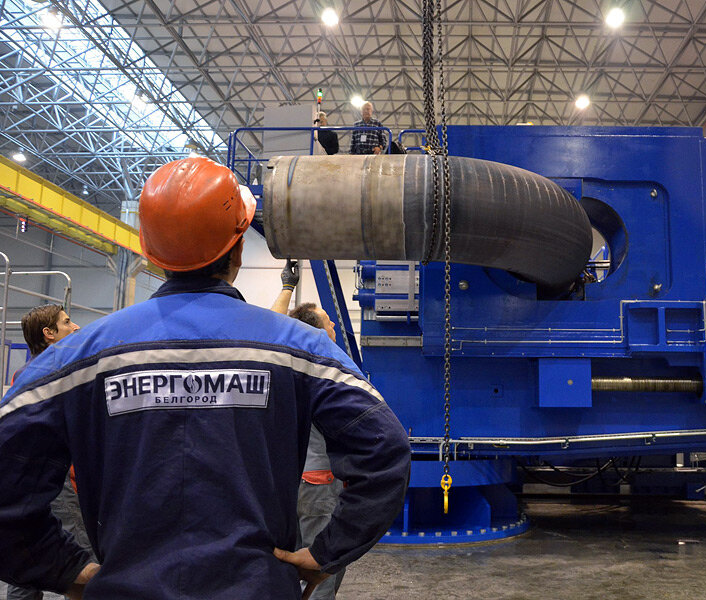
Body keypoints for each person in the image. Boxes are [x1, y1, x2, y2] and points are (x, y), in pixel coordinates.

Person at [0, 156, 411, 599]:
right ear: (236, 250)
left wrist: (66, 569)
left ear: (151, 252)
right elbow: (384, 448)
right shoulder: (300, 349)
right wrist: (328, 551)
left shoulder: (78, 359)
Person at [6, 305, 93, 600]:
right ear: (49, 334)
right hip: (62, 483)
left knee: (26, 566)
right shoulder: (60, 374)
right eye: (67, 322)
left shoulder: (23, 375)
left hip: (29, 485)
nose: (76, 327)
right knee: (80, 566)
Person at [278, 303, 344, 600]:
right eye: (329, 322)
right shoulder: (324, 370)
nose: (335, 328)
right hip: (319, 480)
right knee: (322, 562)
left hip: (296, 478)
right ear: (317, 332)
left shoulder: (290, 366)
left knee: (302, 557)